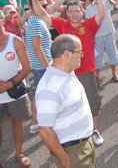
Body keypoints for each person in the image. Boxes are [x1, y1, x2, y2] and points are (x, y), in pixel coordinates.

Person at [32, 0, 105, 146]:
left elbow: (101, 14)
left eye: (77, 11)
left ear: (82, 12)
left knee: (93, 101)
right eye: (70, 11)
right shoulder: (62, 25)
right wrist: (34, 0)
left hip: (86, 72)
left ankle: (93, 130)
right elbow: (43, 15)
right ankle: (76, 131)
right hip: (66, 73)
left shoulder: (89, 25)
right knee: (69, 105)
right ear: (67, 13)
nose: (74, 14)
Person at [36, 35, 95, 168]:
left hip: (84, 143)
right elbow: (45, 130)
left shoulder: (66, 71)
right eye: (79, 52)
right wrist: (64, 159)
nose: (82, 55)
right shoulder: (49, 89)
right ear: (67, 54)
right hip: (73, 151)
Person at [0, 10, 32, 167]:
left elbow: (27, 67)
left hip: (15, 92)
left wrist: (10, 84)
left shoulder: (16, 41)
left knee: (17, 123)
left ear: (2, 21)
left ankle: (19, 153)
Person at [85, 0, 118, 83]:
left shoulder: (106, 3)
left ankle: (114, 74)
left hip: (109, 34)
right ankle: (97, 75)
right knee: (97, 57)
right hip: (97, 37)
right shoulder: (88, 9)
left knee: (112, 54)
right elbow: (89, 25)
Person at [25, 0, 53, 134]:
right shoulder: (36, 22)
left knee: (39, 92)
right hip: (41, 65)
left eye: (46, 5)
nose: (45, 8)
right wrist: (48, 66)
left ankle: (36, 121)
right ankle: (37, 122)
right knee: (42, 94)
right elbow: (37, 48)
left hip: (40, 64)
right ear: (32, 6)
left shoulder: (35, 20)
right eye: (42, 5)